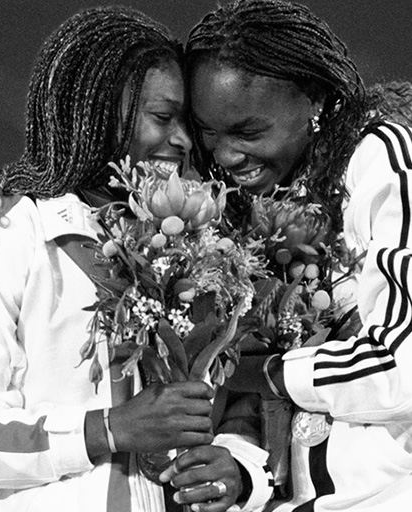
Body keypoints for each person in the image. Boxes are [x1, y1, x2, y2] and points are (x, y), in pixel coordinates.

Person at [0, 6, 273, 512]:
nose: (183, 140)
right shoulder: (15, 235)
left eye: (188, 123)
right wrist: (107, 429)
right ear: (94, 112)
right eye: (163, 118)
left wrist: (237, 467)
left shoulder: (202, 244)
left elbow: (237, 404)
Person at [185, 0, 412, 511]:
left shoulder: (384, 161)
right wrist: (238, 461)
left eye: (247, 132)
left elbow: (403, 366)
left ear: (316, 100)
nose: (224, 155)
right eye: (208, 131)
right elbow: (263, 389)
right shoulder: (248, 205)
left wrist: (264, 371)